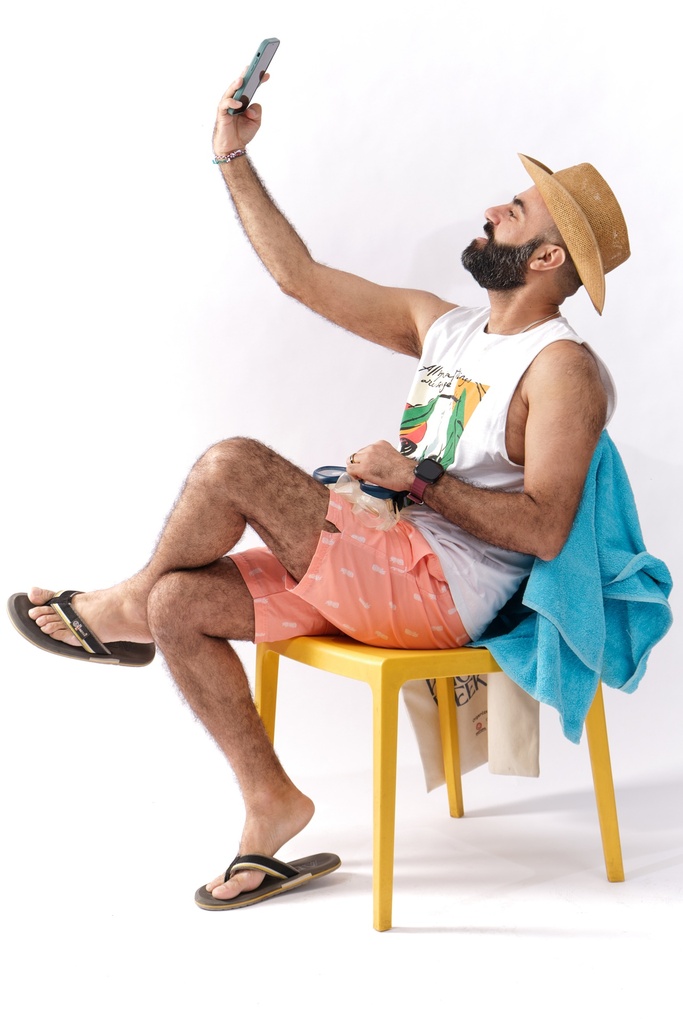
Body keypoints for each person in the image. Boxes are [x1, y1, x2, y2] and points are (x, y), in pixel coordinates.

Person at [7, 70, 631, 910]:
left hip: (443, 590)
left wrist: (421, 478)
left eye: (513, 213)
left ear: (546, 257)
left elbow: (546, 531)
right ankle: (271, 805)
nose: (491, 211)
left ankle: (114, 609)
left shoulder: (562, 370)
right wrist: (232, 158)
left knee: (232, 464)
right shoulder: (442, 325)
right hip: (377, 553)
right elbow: (297, 275)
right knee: (179, 607)